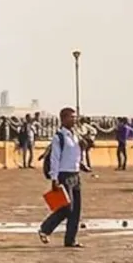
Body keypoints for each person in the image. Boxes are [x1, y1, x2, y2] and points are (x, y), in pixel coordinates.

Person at [38, 105, 86, 247]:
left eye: (75, 117)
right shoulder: (59, 137)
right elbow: (55, 158)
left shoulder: (76, 134)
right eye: (71, 117)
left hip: (75, 174)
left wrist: (82, 164)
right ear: (63, 119)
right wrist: (54, 178)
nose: (74, 119)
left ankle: (70, 239)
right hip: (63, 175)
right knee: (67, 207)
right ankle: (45, 228)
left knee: (76, 210)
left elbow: (75, 155)